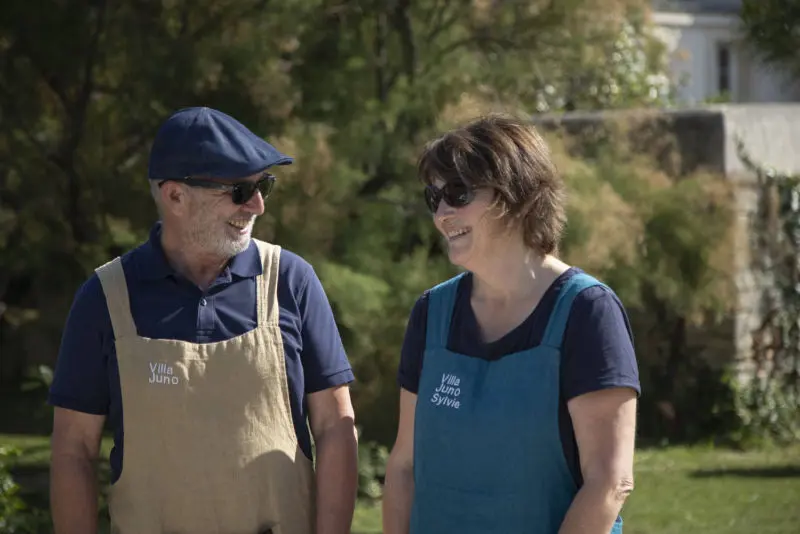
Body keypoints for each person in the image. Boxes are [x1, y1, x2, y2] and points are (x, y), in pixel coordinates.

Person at [48, 107, 359, 534]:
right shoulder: (105, 297)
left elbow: (335, 427)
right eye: (240, 190)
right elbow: (73, 450)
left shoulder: (291, 281)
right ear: (175, 196)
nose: (258, 205)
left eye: (263, 185)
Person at [382, 114, 640, 534]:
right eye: (434, 198)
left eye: (458, 193)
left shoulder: (587, 311)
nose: (442, 213)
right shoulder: (431, 313)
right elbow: (403, 465)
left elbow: (609, 481)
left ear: (517, 195)